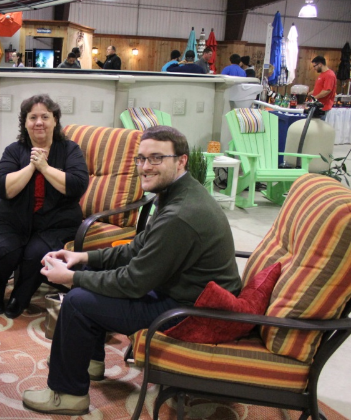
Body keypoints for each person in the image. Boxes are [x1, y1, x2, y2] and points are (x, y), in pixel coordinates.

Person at [21, 125, 241, 415]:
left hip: (190, 310)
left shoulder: (180, 215)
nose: (145, 167)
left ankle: (67, 394)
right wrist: (82, 259)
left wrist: (71, 278)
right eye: (140, 159)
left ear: (181, 161)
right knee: (88, 286)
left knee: (77, 301)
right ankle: (88, 361)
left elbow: (133, 282)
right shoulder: (177, 194)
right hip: (182, 292)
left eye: (156, 158)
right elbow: (137, 248)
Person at [0, 95, 89, 319]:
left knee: (35, 255)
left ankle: (20, 298)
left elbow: (76, 186)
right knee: (3, 250)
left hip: (55, 222)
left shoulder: (70, 149)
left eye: (45, 116)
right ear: (25, 123)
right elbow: (2, 188)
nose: (39, 122)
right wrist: (32, 167)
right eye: (33, 117)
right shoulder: (14, 150)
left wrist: (44, 166)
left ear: (55, 121)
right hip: (12, 219)